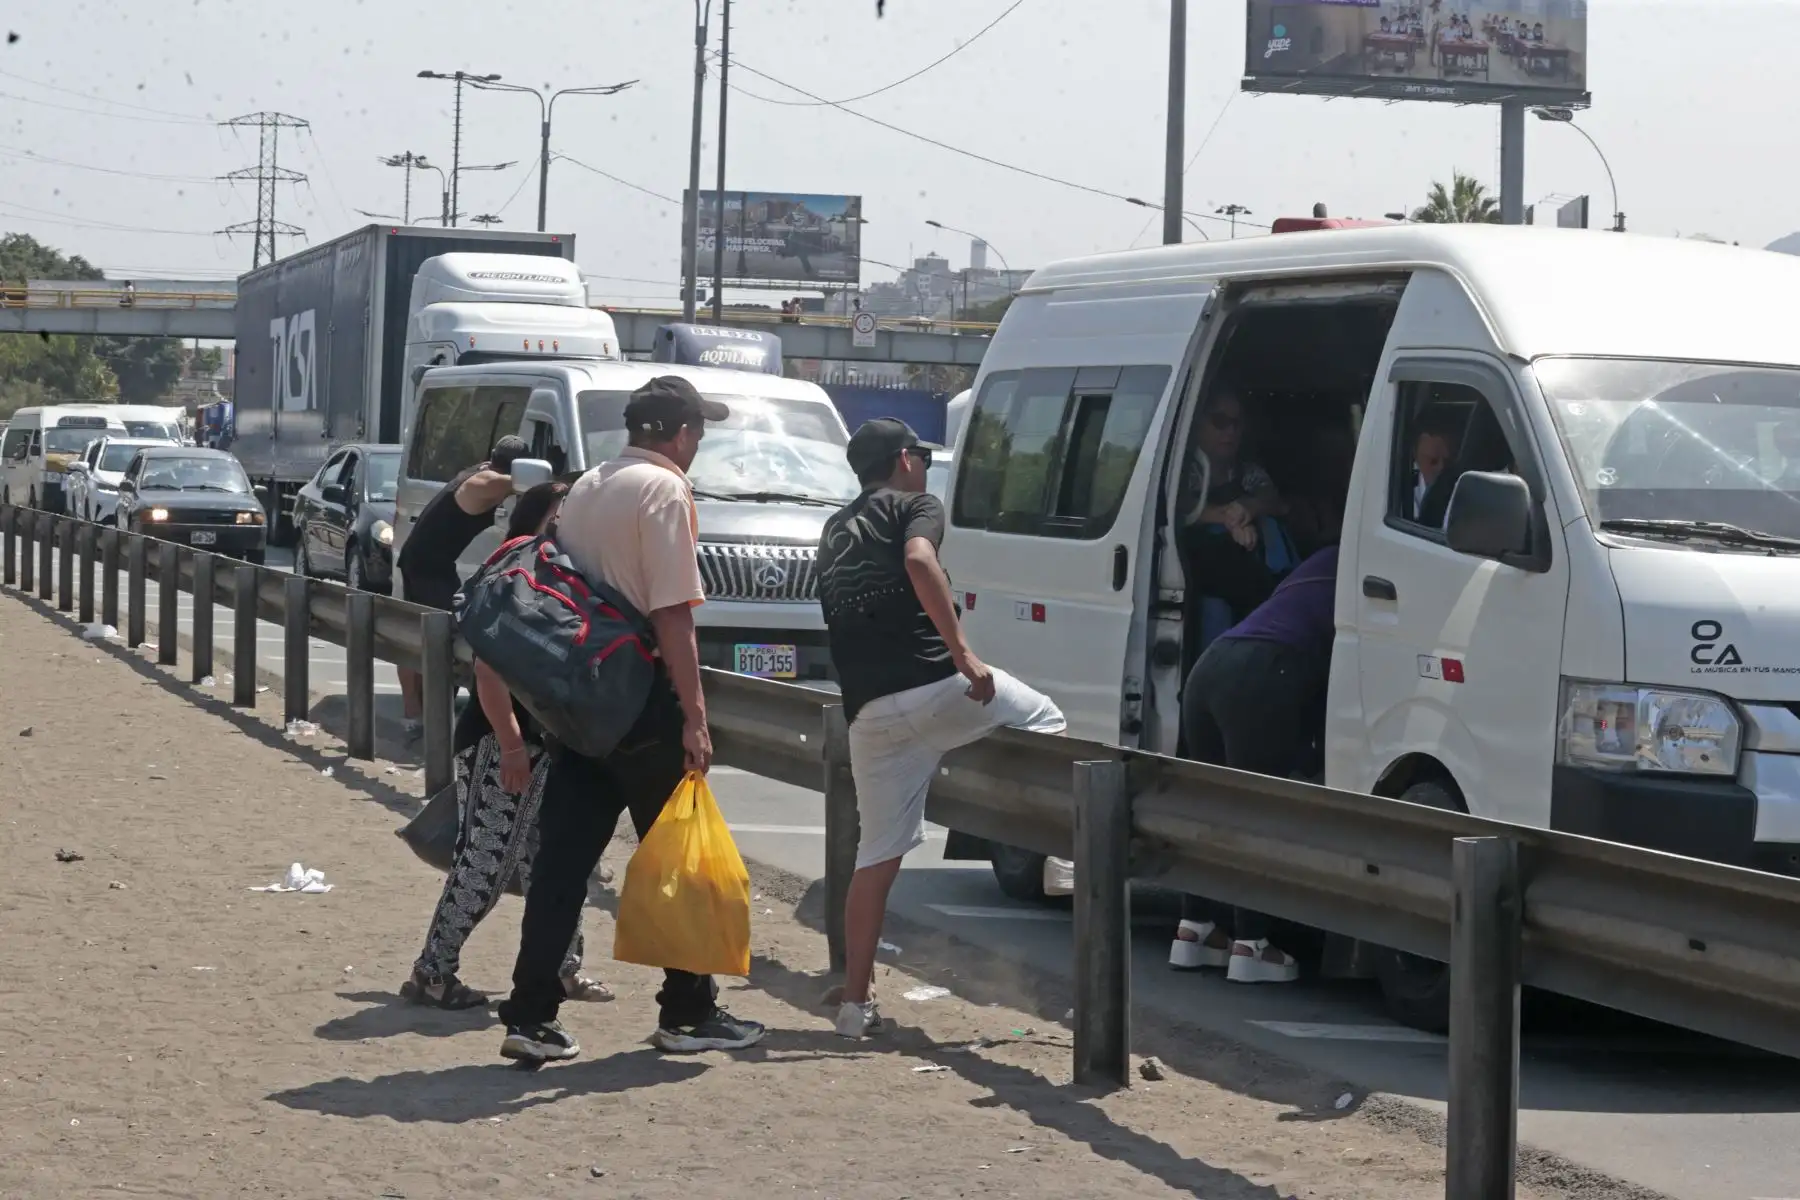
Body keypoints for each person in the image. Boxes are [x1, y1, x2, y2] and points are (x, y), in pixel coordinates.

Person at [494, 375, 766, 1063]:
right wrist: (695, 717)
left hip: (580, 695)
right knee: (678, 856)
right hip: (642, 697)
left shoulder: (586, 486)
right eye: (698, 432)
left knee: (562, 864)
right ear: (678, 434)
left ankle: (529, 1016)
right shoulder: (665, 490)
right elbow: (674, 612)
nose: (698, 444)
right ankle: (687, 1012)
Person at [819, 418, 1067, 1039]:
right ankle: (1059, 851)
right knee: (1047, 717)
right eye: (921, 454)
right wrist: (963, 654)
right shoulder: (917, 505)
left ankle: (855, 1004)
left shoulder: (832, 527)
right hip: (934, 686)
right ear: (904, 460)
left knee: (874, 857)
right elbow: (918, 558)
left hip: (868, 711)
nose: (925, 465)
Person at [403, 481, 613, 1009]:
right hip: (505, 743)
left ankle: (564, 971)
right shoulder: (523, 574)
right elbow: (489, 667)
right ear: (545, 518)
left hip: (549, 746)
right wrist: (513, 746)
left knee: (560, 862)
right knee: (485, 863)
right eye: (566, 511)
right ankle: (432, 973)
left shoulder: (561, 572)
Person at [1169, 540, 1342, 984]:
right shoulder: (1369, 565)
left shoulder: (1316, 563)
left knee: (1211, 806)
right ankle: (1252, 944)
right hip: (1265, 670)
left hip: (1211, 667)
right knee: (1256, 811)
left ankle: (1195, 930)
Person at [394, 435, 527, 737]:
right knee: (441, 636)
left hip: (434, 563)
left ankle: (421, 713)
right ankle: (420, 715)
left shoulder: (482, 472)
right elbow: (504, 483)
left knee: (425, 633)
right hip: (426, 565)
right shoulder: (484, 482)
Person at [1409, 411, 1460, 522]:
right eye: (1433, 461)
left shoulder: (1464, 494)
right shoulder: (1399, 498)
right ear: (1415, 456)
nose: (1441, 467)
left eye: (1448, 461)